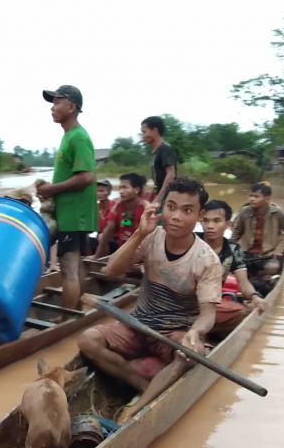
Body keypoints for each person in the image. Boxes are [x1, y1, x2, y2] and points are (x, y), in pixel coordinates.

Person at [78, 177, 222, 424]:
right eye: (171, 207)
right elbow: (111, 271)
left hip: (173, 332)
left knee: (194, 352)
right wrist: (138, 234)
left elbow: (208, 314)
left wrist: (195, 332)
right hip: (137, 325)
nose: (176, 216)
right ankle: (144, 386)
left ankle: (136, 408)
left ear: (199, 216)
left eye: (187, 210)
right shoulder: (150, 237)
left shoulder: (207, 260)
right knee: (87, 339)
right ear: (162, 208)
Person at [37, 85, 96, 309]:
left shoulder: (78, 137)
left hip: (74, 214)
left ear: (71, 107)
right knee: (76, 265)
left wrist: (52, 189)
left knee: (68, 267)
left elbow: (88, 176)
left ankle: (67, 318)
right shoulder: (69, 136)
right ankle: (75, 314)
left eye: (57, 102)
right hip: (71, 213)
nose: (52, 108)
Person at [197, 200, 267, 332]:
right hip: (183, 302)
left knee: (245, 313)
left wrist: (254, 297)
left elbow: (243, 282)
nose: (210, 226)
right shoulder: (190, 241)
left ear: (228, 224)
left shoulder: (233, 249)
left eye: (217, 221)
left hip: (211, 304)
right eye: (205, 221)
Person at [231, 183, 284, 276]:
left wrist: (279, 249)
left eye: (256, 196)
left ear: (267, 199)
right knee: (231, 266)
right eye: (251, 195)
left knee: (272, 268)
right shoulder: (244, 211)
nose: (251, 199)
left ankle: (259, 277)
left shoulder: (277, 213)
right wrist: (228, 248)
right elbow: (237, 232)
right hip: (247, 252)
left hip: (268, 253)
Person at [91, 173, 148, 259]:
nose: (121, 191)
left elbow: (148, 238)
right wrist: (96, 256)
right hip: (121, 248)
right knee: (102, 238)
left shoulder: (145, 208)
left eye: (125, 187)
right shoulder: (118, 206)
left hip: (139, 251)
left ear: (136, 189)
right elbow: (108, 230)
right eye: (120, 188)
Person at [141, 116, 177, 206]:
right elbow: (159, 181)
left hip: (169, 197)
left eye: (144, 132)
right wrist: (150, 198)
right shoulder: (156, 152)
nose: (143, 136)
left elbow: (171, 174)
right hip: (162, 196)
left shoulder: (165, 149)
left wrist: (158, 199)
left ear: (154, 131)